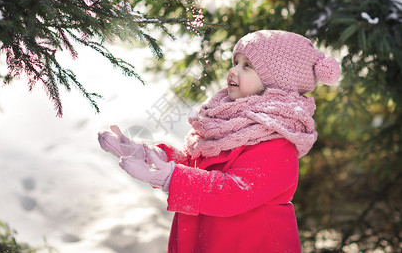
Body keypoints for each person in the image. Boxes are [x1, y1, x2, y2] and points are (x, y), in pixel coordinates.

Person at [98, 30, 341, 253]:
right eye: (235, 62)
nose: (233, 71)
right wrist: (154, 156)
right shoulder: (229, 121)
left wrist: (171, 178)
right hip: (208, 241)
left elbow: (234, 191)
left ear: (277, 83)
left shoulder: (278, 142)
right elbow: (201, 166)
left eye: (248, 66)